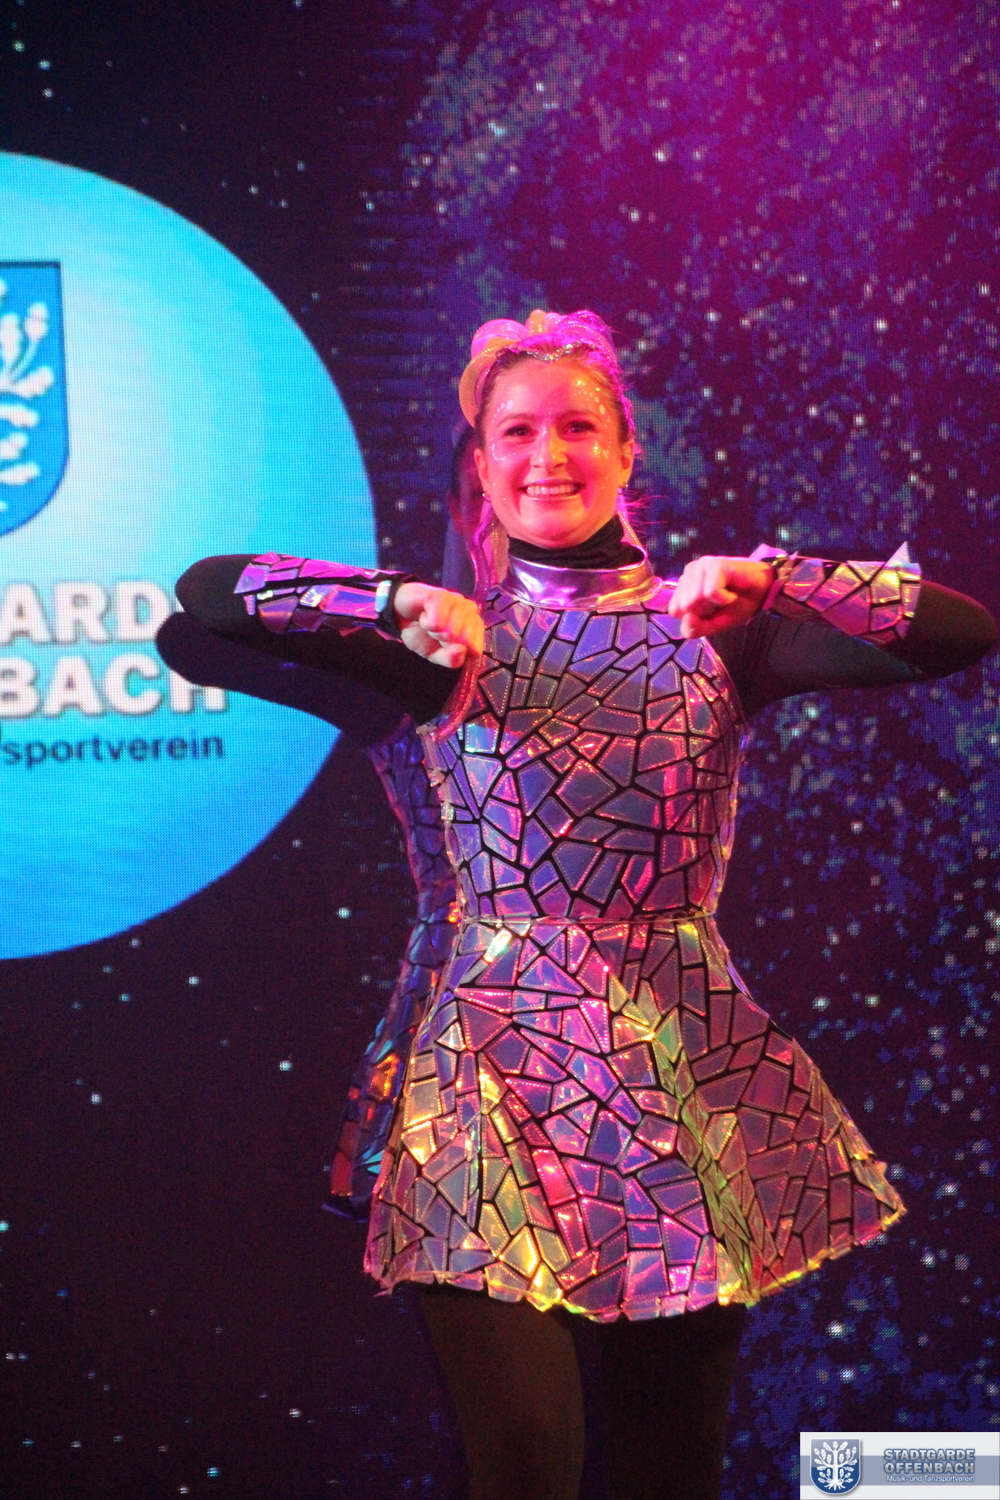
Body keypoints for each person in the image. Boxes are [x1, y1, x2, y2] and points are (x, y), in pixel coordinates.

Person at [174, 310, 996, 1500]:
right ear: (479, 461)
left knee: (669, 1469)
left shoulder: (707, 633)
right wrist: (390, 601)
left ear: (622, 452)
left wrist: (777, 578)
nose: (546, 456)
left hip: (678, 1075)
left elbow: (959, 632)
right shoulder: (441, 644)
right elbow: (201, 611)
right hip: (479, 1087)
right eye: (515, 432)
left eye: (575, 428)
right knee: (525, 1458)